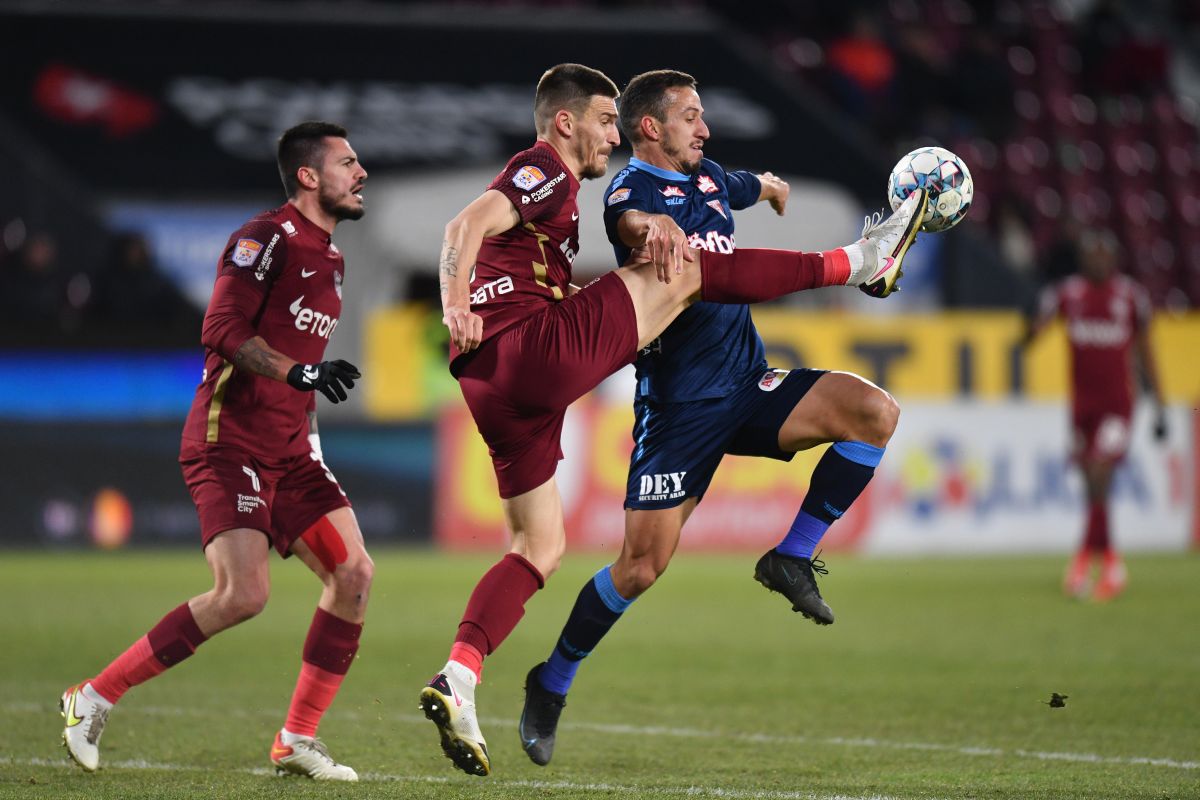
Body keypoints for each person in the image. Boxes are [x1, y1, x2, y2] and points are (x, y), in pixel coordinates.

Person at [419, 62, 927, 778]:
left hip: (741, 384)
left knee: (873, 411)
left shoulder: (712, 176)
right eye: (690, 116)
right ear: (643, 126)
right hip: (670, 406)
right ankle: (552, 682)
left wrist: (772, 186)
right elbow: (586, 217)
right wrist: (457, 303)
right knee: (640, 566)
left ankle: (461, 675)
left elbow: (735, 183)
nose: (705, 127)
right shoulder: (599, 183)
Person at [60, 121, 372, 781]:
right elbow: (221, 327)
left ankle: (296, 739)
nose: (362, 172)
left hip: (293, 450)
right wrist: (299, 374)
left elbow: (302, 367)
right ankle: (92, 696)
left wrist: (307, 416)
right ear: (310, 176)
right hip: (229, 439)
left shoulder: (335, 260)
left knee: (354, 576)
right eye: (348, 162)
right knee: (242, 594)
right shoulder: (264, 238)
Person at [1022, 228, 1166, 601]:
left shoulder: (1130, 296)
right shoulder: (1067, 294)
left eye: (1104, 254)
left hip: (1118, 405)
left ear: (1114, 259)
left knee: (1100, 473)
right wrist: (1028, 327)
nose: (1098, 261)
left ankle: (1086, 562)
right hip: (1082, 407)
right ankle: (1112, 562)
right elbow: (1035, 331)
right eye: (1092, 255)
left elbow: (1146, 352)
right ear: (1083, 259)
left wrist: (1160, 405)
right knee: (1091, 487)